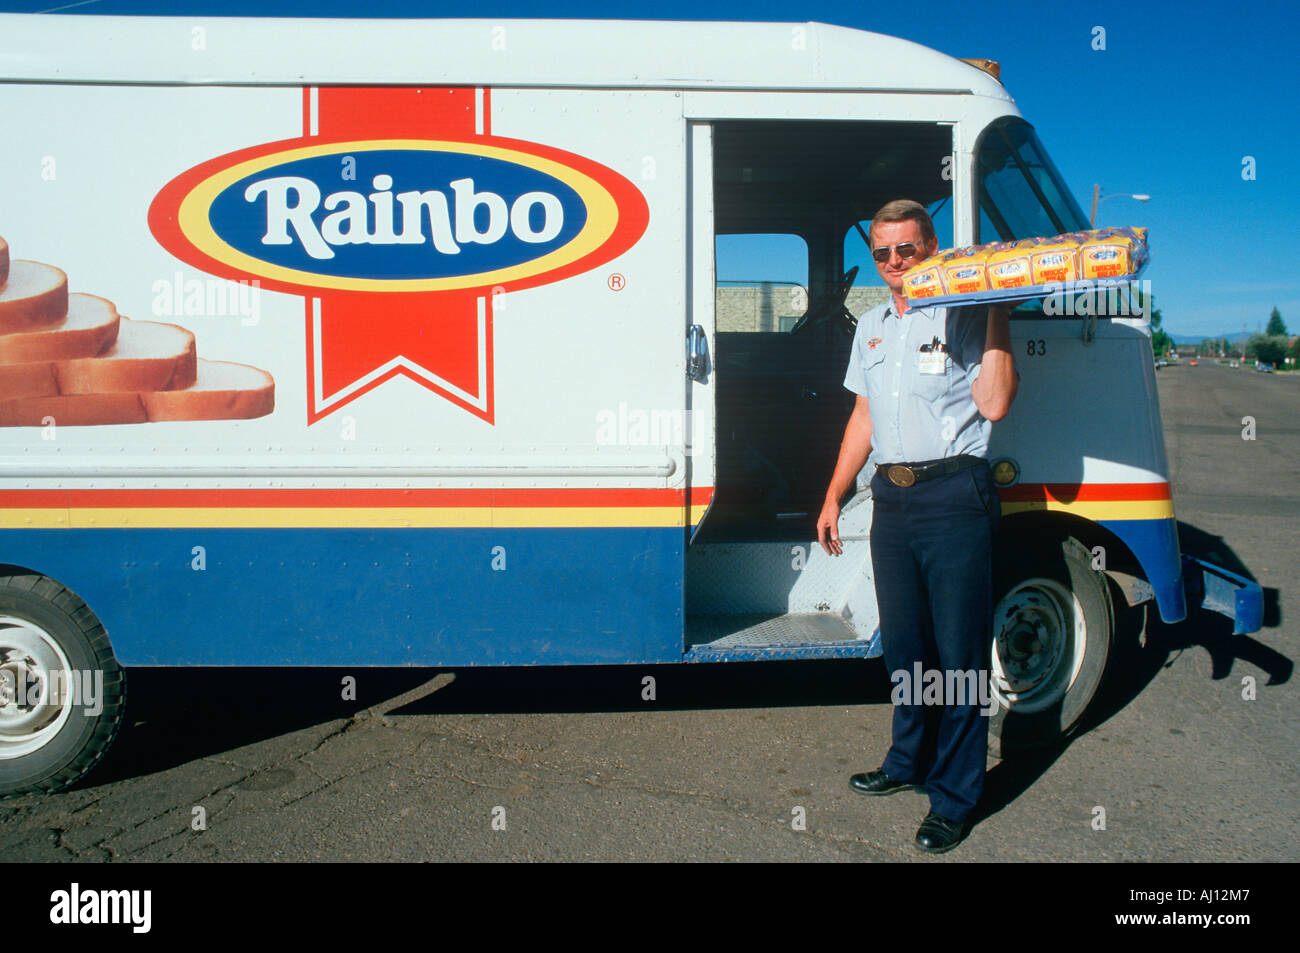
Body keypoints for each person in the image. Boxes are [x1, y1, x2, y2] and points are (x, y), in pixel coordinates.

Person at [816, 199, 1017, 853]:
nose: (896, 262)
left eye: (908, 249)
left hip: (954, 496)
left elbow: (994, 402)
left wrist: (998, 314)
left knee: (958, 656)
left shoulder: (964, 314)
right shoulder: (871, 326)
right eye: (883, 253)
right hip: (892, 503)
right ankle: (907, 761)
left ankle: (955, 796)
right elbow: (862, 419)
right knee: (905, 646)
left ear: (931, 248)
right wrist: (833, 493)